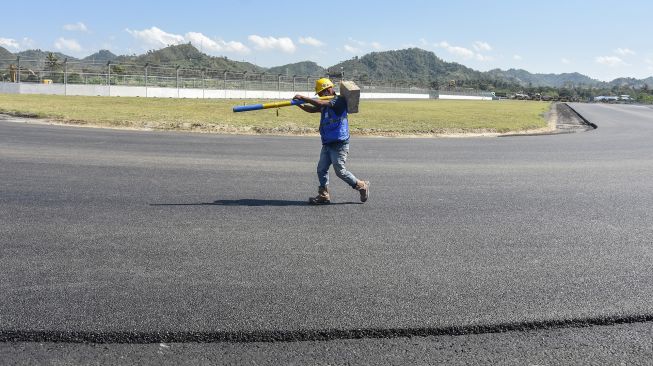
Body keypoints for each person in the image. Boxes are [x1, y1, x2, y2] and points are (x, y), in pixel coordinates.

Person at [293, 78, 369, 205]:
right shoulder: (325, 103)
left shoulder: (338, 101)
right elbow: (313, 109)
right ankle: (324, 195)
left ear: (329, 89)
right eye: (320, 94)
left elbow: (321, 104)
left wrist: (304, 97)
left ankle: (361, 185)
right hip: (328, 143)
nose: (321, 96)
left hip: (339, 144)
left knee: (340, 171)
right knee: (321, 169)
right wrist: (299, 104)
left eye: (322, 93)